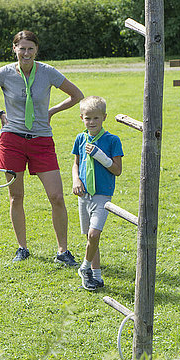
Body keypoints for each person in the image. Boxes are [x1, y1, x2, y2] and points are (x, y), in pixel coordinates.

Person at [0, 30, 84, 265]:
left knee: (57, 196)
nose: (26, 53)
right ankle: (22, 248)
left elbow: (77, 95)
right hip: (12, 141)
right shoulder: (5, 73)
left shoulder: (48, 72)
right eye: (22, 48)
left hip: (41, 140)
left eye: (31, 48)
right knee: (15, 196)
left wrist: (52, 111)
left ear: (36, 50)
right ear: (14, 49)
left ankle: (63, 251)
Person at [72, 96, 123, 290]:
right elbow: (76, 163)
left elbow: (117, 170)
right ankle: (96, 276)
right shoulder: (80, 138)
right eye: (87, 118)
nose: (91, 122)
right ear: (82, 118)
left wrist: (99, 155)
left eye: (96, 118)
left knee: (94, 234)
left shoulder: (112, 140)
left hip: (102, 194)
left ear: (104, 118)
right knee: (90, 239)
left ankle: (84, 267)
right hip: (84, 195)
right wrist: (76, 180)